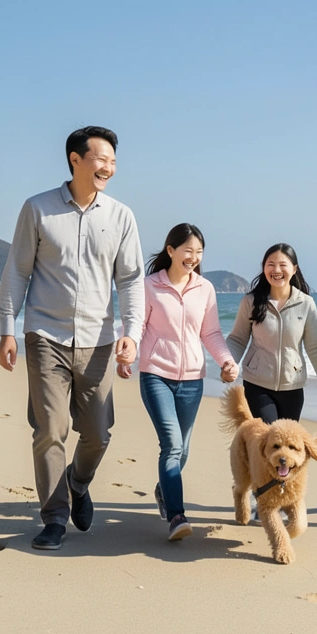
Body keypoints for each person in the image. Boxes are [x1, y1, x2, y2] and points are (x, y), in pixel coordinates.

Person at [0, 126, 145, 551]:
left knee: (99, 432)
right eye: (101, 159)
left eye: (114, 162)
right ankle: (54, 518)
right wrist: (7, 328)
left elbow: (131, 280)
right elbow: (18, 270)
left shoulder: (121, 216)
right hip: (45, 334)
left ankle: (78, 483)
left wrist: (131, 334)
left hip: (98, 340)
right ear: (75, 160)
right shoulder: (38, 209)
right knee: (50, 429)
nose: (109, 168)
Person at [132, 223, 238, 540]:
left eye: (199, 252)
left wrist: (227, 361)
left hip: (193, 380)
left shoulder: (204, 289)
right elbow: (138, 324)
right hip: (155, 374)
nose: (193, 257)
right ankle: (177, 516)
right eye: (187, 250)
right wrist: (128, 352)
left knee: (183, 450)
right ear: (171, 251)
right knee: (172, 444)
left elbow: (210, 333)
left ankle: (164, 488)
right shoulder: (150, 285)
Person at [225, 243, 317, 423]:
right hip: (257, 384)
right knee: (270, 435)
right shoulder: (250, 302)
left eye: (282, 264)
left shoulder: (306, 304)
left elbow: (315, 347)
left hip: (293, 387)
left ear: (294, 269)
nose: (276, 270)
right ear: (264, 268)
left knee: (285, 447)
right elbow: (237, 339)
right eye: (271, 264)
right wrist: (228, 364)